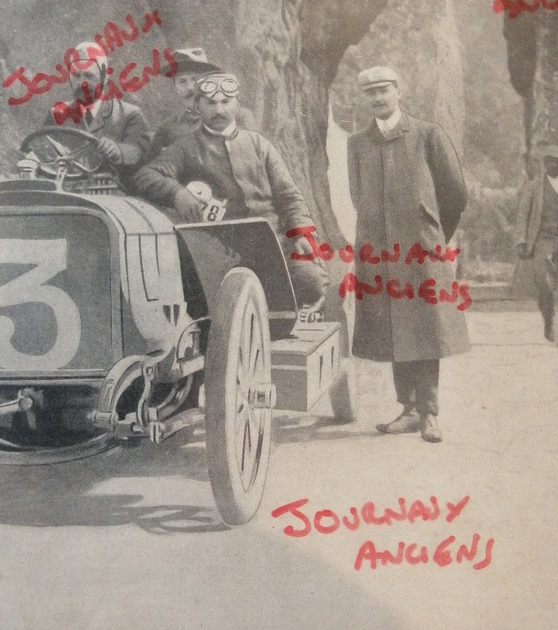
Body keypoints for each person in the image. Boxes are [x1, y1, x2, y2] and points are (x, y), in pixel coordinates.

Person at [347, 66, 469, 443]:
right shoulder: (358, 143)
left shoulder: (428, 134)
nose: (378, 98)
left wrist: (432, 232)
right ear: (364, 98)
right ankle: (408, 409)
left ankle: (429, 413)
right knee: (393, 328)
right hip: (380, 253)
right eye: (371, 93)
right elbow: (358, 197)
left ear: (399, 90)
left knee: (426, 329)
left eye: (384, 90)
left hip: (421, 251)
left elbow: (455, 192)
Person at [133, 71, 327, 308]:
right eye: (211, 103)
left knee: (311, 282)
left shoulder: (258, 144)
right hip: (219, 247)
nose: (219, 110)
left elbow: (289, 195)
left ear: (236, 105)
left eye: (226, 102)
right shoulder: (185, 147)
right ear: (199, 107)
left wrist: (300, 233)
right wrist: (176, 192)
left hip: (273, 243)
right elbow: (145, 176)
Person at [46, 40, 152, 169]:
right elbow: (42, 149)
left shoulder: (130, 114)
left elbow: (139, 150)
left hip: (111, 186)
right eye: (76, 75)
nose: (82, 83)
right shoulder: (57, 114)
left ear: (105, 77)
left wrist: (117, 150)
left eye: (89, 76)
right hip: (65, 186)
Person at [147, 47, 257, 159]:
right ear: (174, 87)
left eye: (194, 79)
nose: (189, 87)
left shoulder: (240, 117)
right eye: (182, 81)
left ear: (207, 82)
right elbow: (149, 169)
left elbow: (256, 160)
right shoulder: (168, 128)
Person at [514, 143, 558, 347]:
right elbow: (522, 215)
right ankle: (549, 320)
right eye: (547, 161)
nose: (550, 164)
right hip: (543, 240)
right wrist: (521, 241)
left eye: (555, 161)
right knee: (545, 285)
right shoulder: (533, 186)